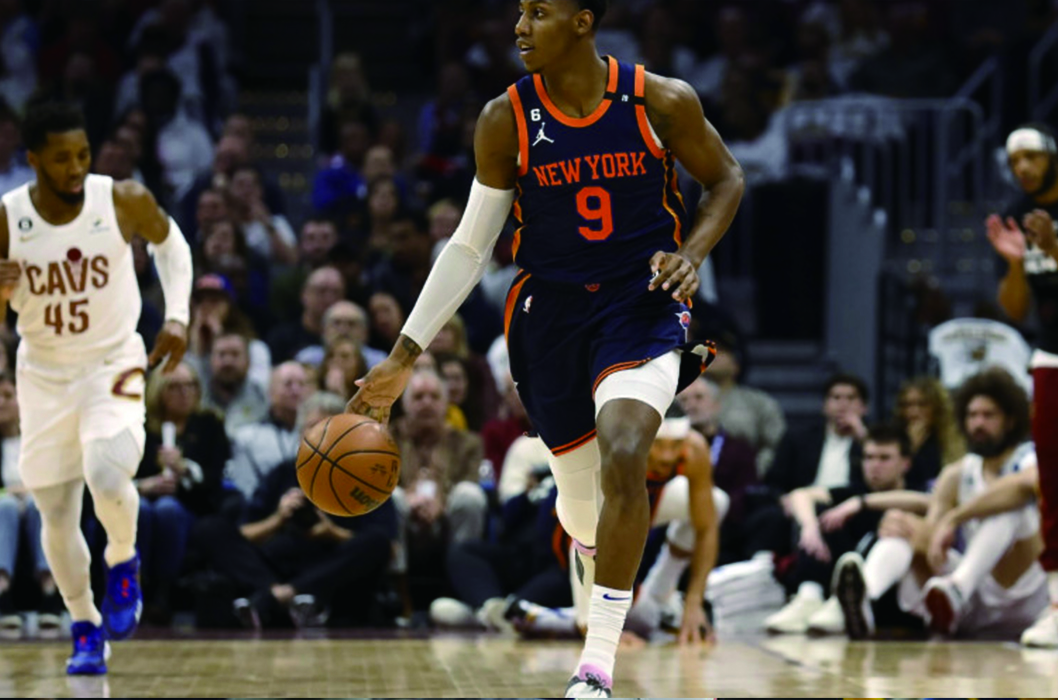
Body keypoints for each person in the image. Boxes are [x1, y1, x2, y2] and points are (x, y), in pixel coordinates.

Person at [348, 1, 744, 694]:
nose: (520, 27)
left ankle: (596, 667)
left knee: (627, 447)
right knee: (581, 507)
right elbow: (470, 247)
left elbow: (727, 179)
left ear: (583, 22)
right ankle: (591, 548)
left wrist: (691, 253)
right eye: (519, 12)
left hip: (641, 301)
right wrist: (403, 357)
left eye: (539, 12)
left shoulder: (660, 101)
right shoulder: (505, 118)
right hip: (550, 317)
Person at [0, 102, 192, 674]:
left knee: (107, 474)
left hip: (113, 362)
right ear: (34, 160)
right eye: (62, 158)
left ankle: (123, 559)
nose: (77, 167)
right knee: (56, 512)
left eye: (83, 154)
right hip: (44, 375)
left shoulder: (122, 199)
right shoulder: (8, 218)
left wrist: (177, 315)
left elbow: (172, 244)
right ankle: (85, 626)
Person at [834, 369, 1047, 641]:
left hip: (1029, 598)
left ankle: (957, 588)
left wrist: (955, 517)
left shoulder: (1030, 458)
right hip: (976, 600)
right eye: (972, 415)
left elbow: (1023, 485)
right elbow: (932, 538)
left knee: (1007, 508)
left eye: (988, 415)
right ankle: (863, 596)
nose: (978, 423)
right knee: (903, 530)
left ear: (1010, 419)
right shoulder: (957, 474)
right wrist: (906, 525)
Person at [985, 123, 1058, 646]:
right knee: (1051, 477)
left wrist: (1053, 248)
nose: (1024, 169)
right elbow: (1015, 308)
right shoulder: (1018, 213)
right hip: (1050, 356)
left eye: (1032, 157)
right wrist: (1015, 264)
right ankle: (1057, 604)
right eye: (1016, 162)